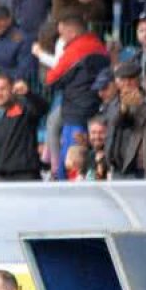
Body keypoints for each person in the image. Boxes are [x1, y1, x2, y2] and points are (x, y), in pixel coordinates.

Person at [44, 15, 108, 180]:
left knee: (72, 165)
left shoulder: (76, 49)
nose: (62, 39)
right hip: (95, 106)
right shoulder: (99, 45)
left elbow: (52, 80)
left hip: (76, 111)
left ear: (71, 32)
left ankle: (55, 170)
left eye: (62, 34)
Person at [104, 61, 146, 179]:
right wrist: (123, 110)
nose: (127, 83)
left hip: (140, 164)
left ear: (139, 80)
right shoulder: (114, 101)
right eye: (123, 80)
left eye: (130, 79)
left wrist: (139, 104)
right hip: (119, 164)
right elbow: (114, 125)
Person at [0, 5, 35, 84]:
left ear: (9, 20)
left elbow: (25, 72)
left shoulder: (23, 40)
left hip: (16, 86)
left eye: (0, 20)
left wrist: (0, 74)